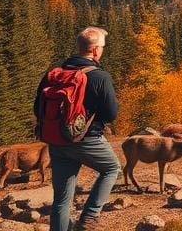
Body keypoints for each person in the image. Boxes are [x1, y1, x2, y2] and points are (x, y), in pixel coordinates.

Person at [34, 27, 119, 231]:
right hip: (86, 139)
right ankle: (89, 217)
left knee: (62, 200)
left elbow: (38, 108)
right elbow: (111, 114)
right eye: (102, 47)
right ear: (95, 50)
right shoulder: (100, 77)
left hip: (57, 141)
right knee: (111, 168)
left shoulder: (54, 73)